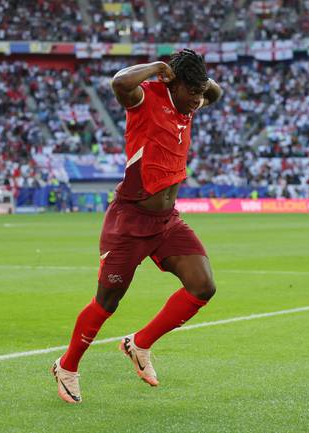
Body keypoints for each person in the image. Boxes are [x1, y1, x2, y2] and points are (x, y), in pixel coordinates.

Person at [51, 49, 223, 403]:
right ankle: (67, 366)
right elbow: (119, 81)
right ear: (172, 83)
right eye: (192, 90)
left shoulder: (189, 102)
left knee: (203, 286)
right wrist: (161, 69)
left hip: (166, 222)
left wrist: (196, 78)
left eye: (199, 91)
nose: (198, 99)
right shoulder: (146, 98)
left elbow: (215, 93)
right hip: (129, 221)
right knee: (107, 302)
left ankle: (139, 343)